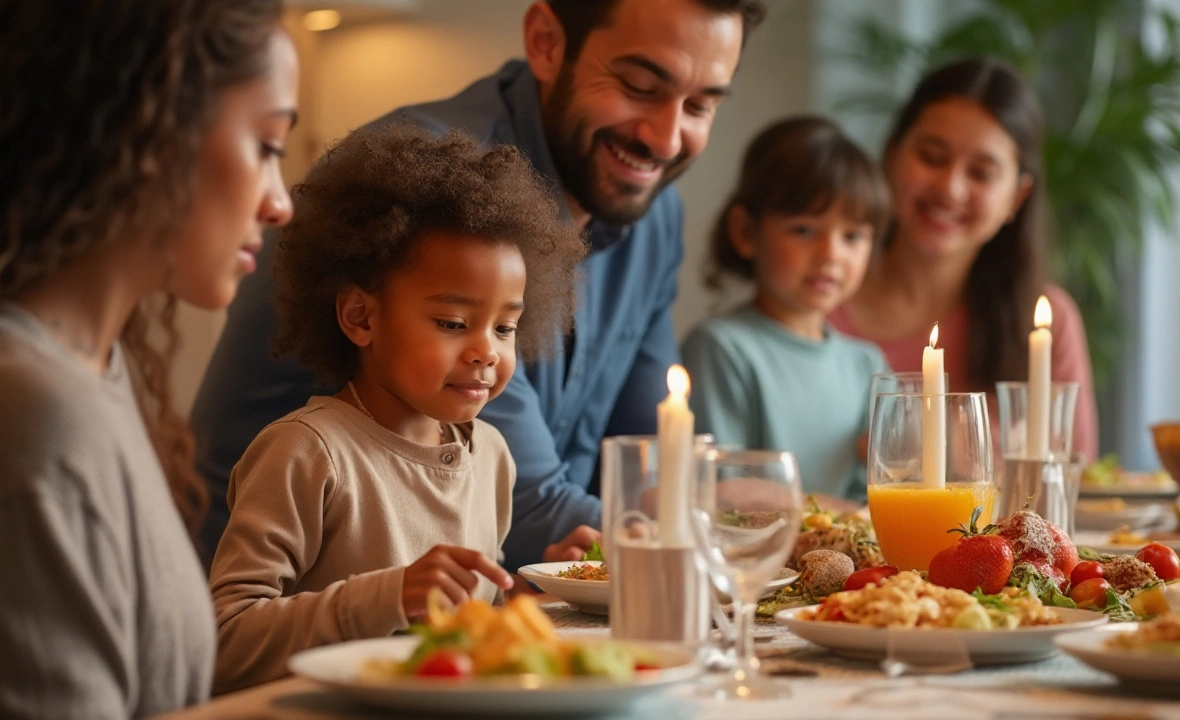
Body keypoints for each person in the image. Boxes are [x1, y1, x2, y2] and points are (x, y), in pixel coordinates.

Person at [190, 0, 768, 570]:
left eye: (699, 105)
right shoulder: (431, 189)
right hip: (272, 615)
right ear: (545, 41)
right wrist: (745, 548)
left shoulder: (653, 215)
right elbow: (535, 510)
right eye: (640, 85)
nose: (666, 140)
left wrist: (774, 525)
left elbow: (653, 464)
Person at [0, 1, 297, 717]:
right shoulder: (25, 413)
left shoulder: (89, 371)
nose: (281, 203)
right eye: (268, 146)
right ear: (149, 127)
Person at [208, 125, 587, 693]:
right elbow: (222, 644)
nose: (487, 350)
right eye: (454, 324)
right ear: (361, 317)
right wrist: (387, 596)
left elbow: (460, 634)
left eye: (505, 326)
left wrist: (536, 596)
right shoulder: (308, 453)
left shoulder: (490, 456)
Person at [830, 58, 1099, 460]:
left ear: (1017, 196)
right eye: (932, 157)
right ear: (891, 156)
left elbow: (1073, 489)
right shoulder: (816, 299)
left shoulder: (1046, 320)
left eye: (981, 173)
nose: (950, 188)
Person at [682, 117, 890, 506]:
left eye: (852, 236)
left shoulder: (866, 364)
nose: (830, 255)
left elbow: (881, 496)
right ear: (746, 232)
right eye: (804, 230)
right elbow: (724, 493)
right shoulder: (721, 348)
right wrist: (843, 513)